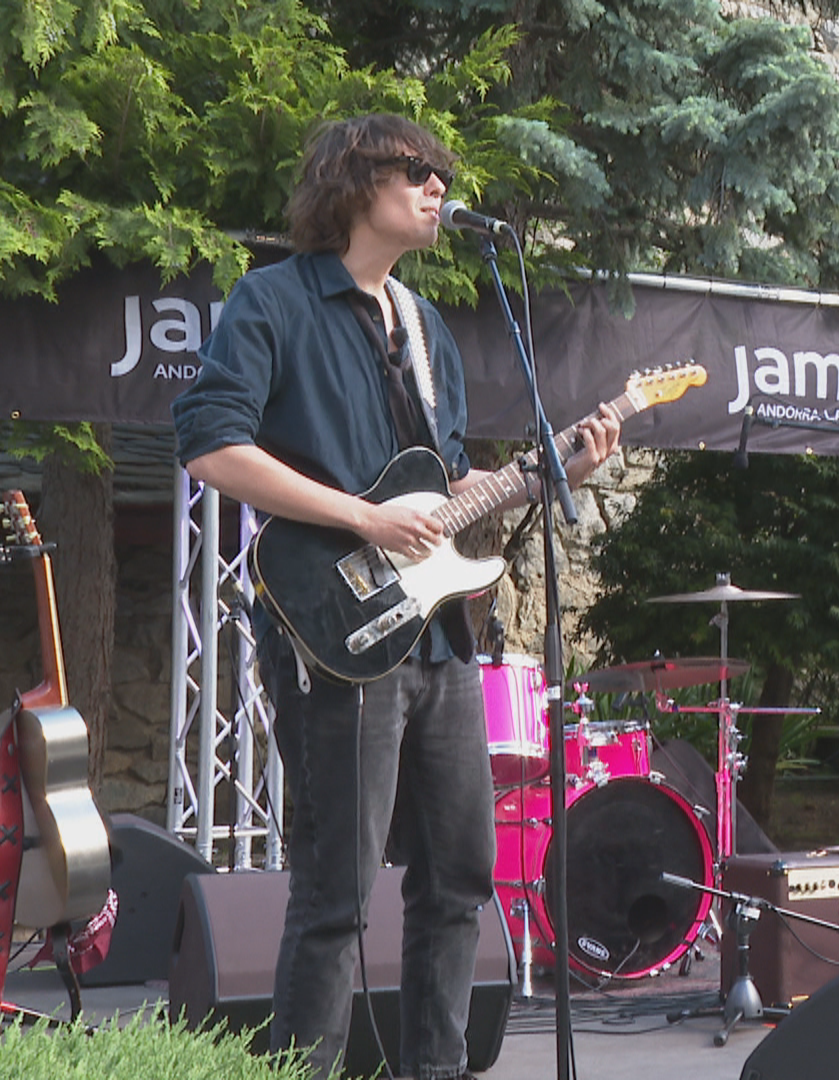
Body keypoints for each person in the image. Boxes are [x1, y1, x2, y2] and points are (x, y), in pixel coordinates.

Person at [172, 114, 623, 1079]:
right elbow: (212, 444)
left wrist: (552, 472)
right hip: (335, 627)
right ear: (354, 180)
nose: (435, 188)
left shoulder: (426, 333)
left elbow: (448, 491)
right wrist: (364, 519)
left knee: (460, 874)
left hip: (438, 640)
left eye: (439, 175)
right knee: (336, 893)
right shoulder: (274, 302)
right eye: (417, 171)